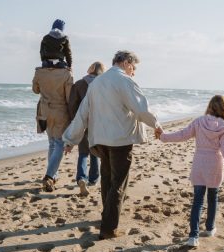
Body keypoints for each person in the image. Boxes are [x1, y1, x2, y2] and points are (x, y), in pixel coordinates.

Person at [63, 50, 161, 240]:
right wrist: (156, 124)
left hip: (99, 140)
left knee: (107, 180)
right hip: (119, 140)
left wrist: (70, 139)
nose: (134, 72)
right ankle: (108, 228)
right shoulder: (124, 80)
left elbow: (82, 114)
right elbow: (141, 109)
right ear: (126, 63)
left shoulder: (96, 82)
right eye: (133, 67)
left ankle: (106, 218)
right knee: (118, 183)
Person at [154, 96, 224, 248]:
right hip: (215, 164)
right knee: (213, 197)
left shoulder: (199, 122)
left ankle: (193, 236)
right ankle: (209, 228)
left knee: (197, 201)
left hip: (199, 164)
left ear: (210, 107)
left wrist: (163, 137)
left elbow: (182, 135)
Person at [32, 63, 73, 192]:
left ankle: (53, 175)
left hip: (45, 111)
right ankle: (49, 176)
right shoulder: (66, 73)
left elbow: (35, 90)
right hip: (60, 111)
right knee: (59, 143)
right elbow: (69, 96)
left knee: (51, 143)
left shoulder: (39, 72)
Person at [68, 61, 105, 196]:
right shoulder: (103, 85)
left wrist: (74, 121)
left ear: (90, 69)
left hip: (82, 122)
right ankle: (93, 179)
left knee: (83, 153)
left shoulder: (78, 84)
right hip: (98, 123)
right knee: (95, 151)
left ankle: (81, 178)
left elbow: (72, 105)